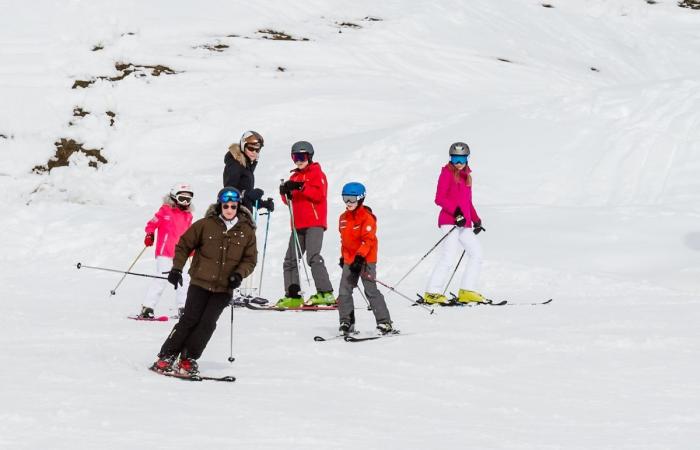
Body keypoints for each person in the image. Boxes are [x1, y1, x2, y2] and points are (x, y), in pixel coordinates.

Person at [151, 187, 257, 376]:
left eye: (233, 206)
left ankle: (188, 358)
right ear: (220, 205)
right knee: (189, 319)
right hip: (200, 282)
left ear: (238, 206)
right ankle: (167, 355)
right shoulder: (205, 225)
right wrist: (177, 268)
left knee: (207, 324)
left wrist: (239, 274)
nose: (229, 209)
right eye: (226, 205)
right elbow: (183, 245)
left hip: (224, 288)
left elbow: (250, 260)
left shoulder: (246, 231)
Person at [424, 142, 486, 304]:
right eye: (455, 158)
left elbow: (467, 203)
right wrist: (457, 213)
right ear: (450, 158)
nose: (458, 162)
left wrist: (476, 219)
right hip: (449, 221)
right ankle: (432, 293)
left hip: (463, 223)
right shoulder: (446, 173)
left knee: (476, 253)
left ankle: (467, 290)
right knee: (449, 256)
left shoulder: (467, 177)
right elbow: (439, 198)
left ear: (467, 158)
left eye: (461, 158)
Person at [276, 140, 335, 308]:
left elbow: (319, 195)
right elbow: (289, 202)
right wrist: (284, 192)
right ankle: (293, 295)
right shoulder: (293, 176)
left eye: (302, 156)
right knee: (290, 260)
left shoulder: (317, 174)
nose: (298, 160)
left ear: (309, 156)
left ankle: (326, 293)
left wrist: (301, 186)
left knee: (313, 257)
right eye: (295, 157)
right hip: (297, 224)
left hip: (314, 223)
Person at [336, 182, 394, 335]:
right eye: (345, 198)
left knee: (370, 290)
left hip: (366, 259)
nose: (348, 203)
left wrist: (360, 258)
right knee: (344, 291)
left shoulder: (367, 218)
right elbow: (344, 241)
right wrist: (344, 257)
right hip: (350, 260)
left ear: (361, 199)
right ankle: (346, 322)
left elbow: (368, 240)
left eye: (352, 199)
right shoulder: (343, 218)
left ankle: (384, 323)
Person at [138, 183, 194, 319]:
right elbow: (151, 224)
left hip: (182, 253)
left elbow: (189, 233)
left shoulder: (188, 215)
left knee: (184, 279)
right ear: (174, 197)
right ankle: (147, 308)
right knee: (161, 278)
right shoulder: (165, 210)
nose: (185, 202)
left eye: (188, 199)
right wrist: (150, 234)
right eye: (182, 198)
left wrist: (192, 248)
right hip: (165, 252)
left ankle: (183, 307)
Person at [223, 130, 274, 213]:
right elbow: (228, 193)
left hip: (244, 215)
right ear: (243, 146)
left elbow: (244, 193)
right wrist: (246, 194)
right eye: (251, 148)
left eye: (257, 150)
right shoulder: (235, 164)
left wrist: (262, 203)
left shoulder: (246, 166)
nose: (254, 152)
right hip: (233, 217)